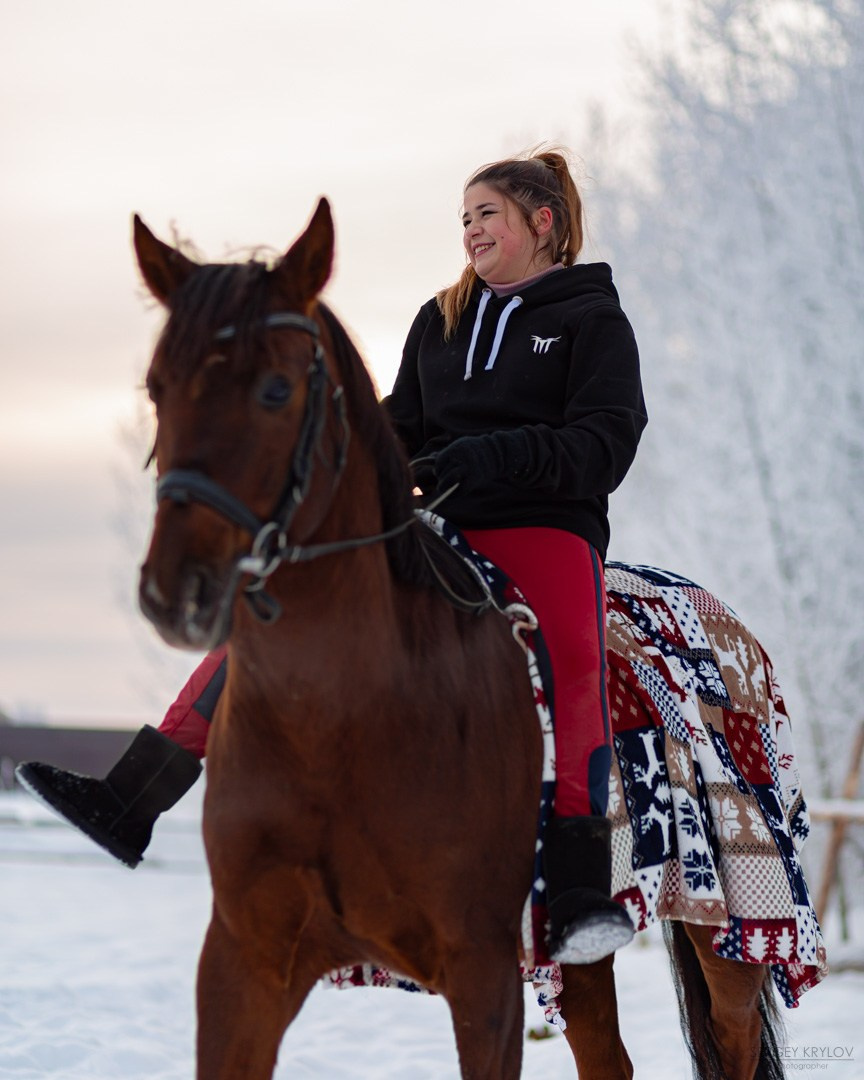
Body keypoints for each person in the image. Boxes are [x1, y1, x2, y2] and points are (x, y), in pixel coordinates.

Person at [17, 148, 647, 965]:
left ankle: (577, 886)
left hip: (544, 529)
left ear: (543, 222)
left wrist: (491, 458)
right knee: (285, 603)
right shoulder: (441, 319)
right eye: (463, 218)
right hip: (437, 523)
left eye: (486, 214)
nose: (470, 231)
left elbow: (604, 443)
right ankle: (132, 795)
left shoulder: (591, 320)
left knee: (575, 661)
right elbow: (400, 424)